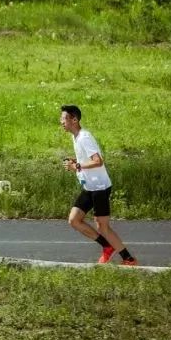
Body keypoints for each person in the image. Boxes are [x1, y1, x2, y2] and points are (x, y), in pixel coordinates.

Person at [59, 105, 138, 266]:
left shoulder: (84, 137)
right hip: (89, 187)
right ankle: (107, 247)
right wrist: (76, 161)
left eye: (64, 118)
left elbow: (98, 161)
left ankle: (129, 259)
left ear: (74, 120)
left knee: (102, 226)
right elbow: (87, 159)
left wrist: (77, 166)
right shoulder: (76, 136)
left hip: (100, 187)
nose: (61, 122)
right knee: (74, 220)